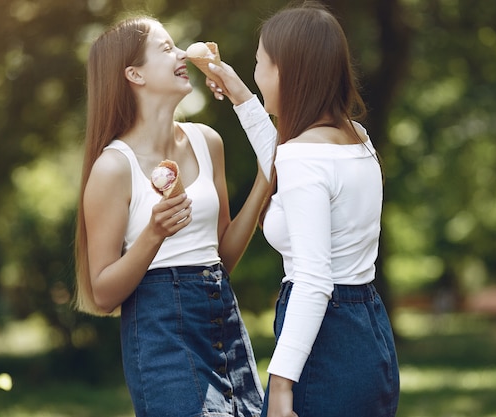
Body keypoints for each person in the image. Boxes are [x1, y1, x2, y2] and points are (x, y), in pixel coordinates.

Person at [204, 2, 400, 416]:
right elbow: (281, 157)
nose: (256, 74)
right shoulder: (355, 138)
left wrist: (279, 386)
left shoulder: (303, 157)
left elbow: (313, 281)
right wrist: (239, 92)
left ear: (286, 73)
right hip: (369, 333)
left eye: (259, 63)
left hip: (326, 345)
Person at [73, 16, 267, 417]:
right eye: (166, 48)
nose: (182, 54)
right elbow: (102, 292)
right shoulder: (113, 167)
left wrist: (266, 182)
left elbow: (222, 256)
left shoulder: (206, 142)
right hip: (162, 335)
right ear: (134, 74)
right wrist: (153, 234)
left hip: (223, 320)